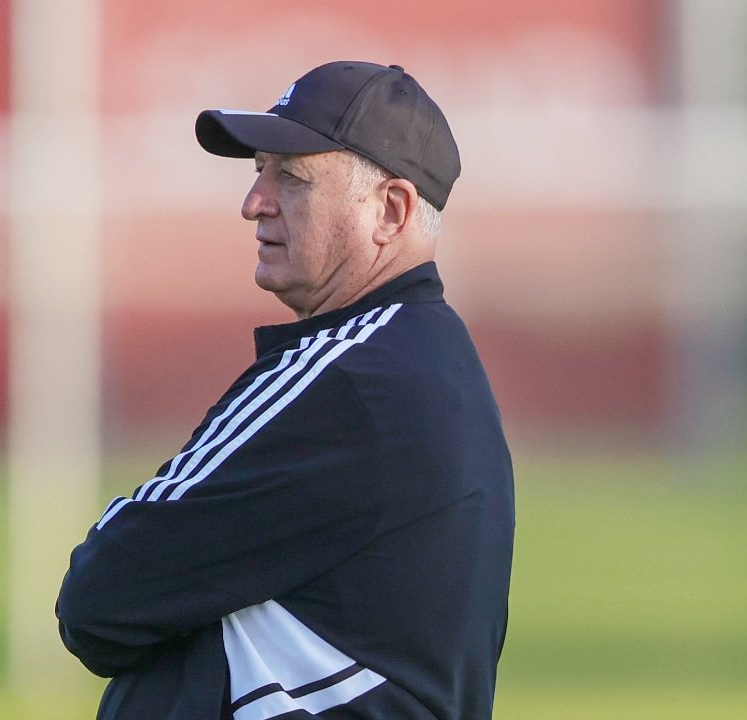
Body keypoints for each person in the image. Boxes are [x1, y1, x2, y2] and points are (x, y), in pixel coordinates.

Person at [56, 60, 515, 720]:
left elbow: (98, 598)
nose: (254, 203)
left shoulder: (353, 377)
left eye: (292, 178)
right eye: (258, 171)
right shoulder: (426, 358)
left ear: (390, 210)